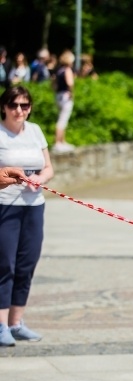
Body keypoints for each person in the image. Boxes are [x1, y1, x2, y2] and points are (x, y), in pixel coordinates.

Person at [0, 86, 54, 347]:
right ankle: (0, 325)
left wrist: (40, 179)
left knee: (26, 264)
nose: (19, 111)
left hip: (34, 206)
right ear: (4, 107)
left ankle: (16, 322)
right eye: (13, 105)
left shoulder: (35, 131)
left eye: (24, 105)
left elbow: (48, 167)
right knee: (5, 265)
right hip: (5, 206)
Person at [52, 50, 75, 153]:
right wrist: (71, 93)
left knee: (61, 118)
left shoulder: (59, 70)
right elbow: (70, 83)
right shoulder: (67, 70)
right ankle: (58, 143)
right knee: (62, 120)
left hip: (58, 96)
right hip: (65, 96)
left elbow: (54, 85)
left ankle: (62, 141)